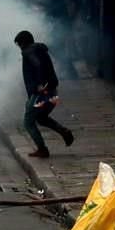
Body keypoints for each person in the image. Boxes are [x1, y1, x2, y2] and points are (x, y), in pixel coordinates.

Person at [15, 30, 74, 158]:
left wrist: (40, 85)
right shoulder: (40, 50)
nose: (19, 48)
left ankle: (42, 149)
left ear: (23, 43)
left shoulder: (28, 51)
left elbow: (38, 66)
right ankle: (64, 131)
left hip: (41, 93)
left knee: (28, 122)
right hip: (52, 91)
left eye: (19, 44)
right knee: (41, 118)